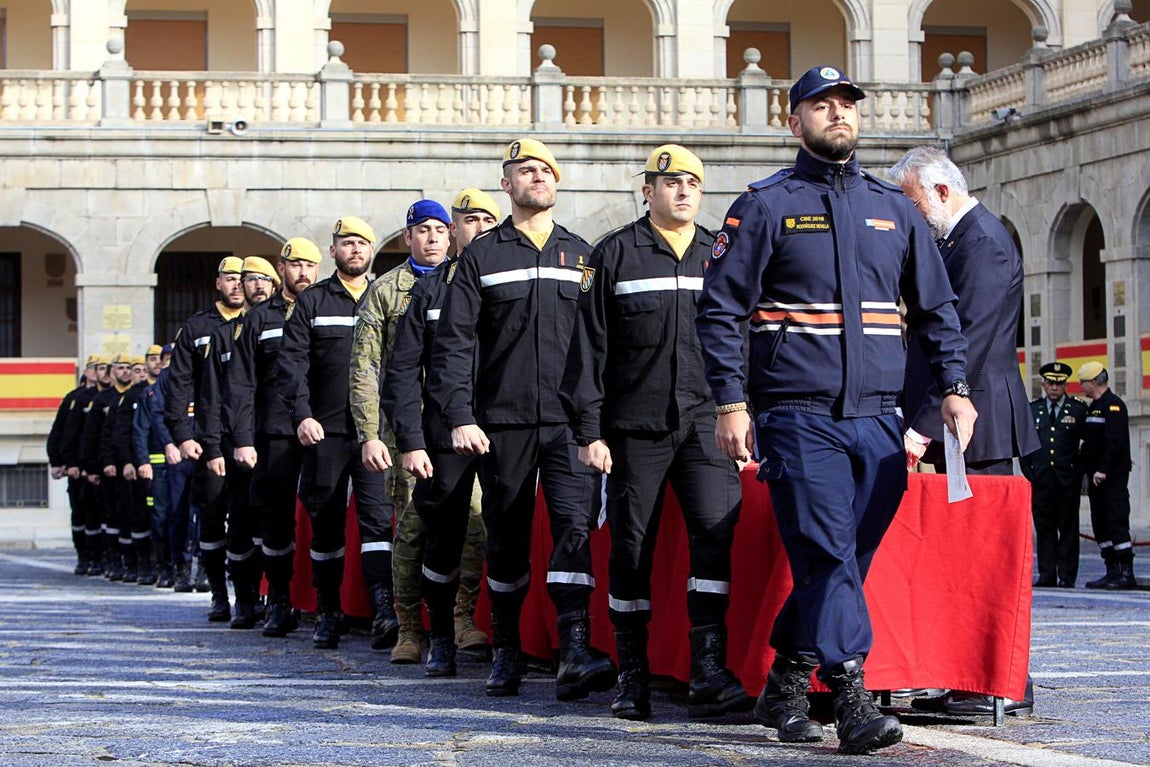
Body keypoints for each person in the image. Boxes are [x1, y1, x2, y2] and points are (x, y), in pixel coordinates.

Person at [695, 66, 975, 755]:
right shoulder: (762, 205)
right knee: (826, 548)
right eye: (821, 106)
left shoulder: (894, 209)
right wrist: (732, 400)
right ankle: (851, 696)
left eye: (846, 103)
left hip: (879, 419)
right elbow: (720, 309)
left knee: (843, 559)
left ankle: (786, 680)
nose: (838, 114)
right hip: (797, 413)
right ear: (794, 122)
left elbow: (938, 310)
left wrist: (955, 388)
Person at [560, 145, 750, 720]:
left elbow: (745, 341)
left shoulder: (723, 253)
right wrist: (588, 430)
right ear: (648, 190)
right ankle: (633, 676)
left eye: (693, 181)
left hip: (706, 424)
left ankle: (709, 673)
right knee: (631, 549)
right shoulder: (613, 254)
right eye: (670, 182)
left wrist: (747, 414)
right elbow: (588, 351)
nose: (683, 191)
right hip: (633, 429)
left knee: (714, 538)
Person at [428, 138, 617, 699]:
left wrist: (597, 425)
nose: (536, 178)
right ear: (506, 184)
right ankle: (506, 649)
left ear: (556, 184)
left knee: (573, 529)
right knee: (506, 538)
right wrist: (459, 415)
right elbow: (454, 343)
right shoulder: (481, 257)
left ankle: (574, 647)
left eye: (545, 171)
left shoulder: (584, 255)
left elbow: (602, 345)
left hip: (568, 424)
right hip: (501, 422)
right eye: (524, 171)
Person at [381, 187, 502, 677]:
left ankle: (483, 629)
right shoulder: (430, 292)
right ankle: (432, 636)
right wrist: (409, 439)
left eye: (485, 221)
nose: (477, 230)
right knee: (435, 533)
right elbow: (402, 371)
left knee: (494, 531)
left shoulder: (511, 283)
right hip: (443, 435)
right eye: (467, 221)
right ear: (456, 230)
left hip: (507, 429)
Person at [276, 216, 397, 650]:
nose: (355, 250)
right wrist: (302, 416)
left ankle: (384, 610)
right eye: (347, 243)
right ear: (334, 251)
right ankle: (328, 610)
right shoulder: (313, 302)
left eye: (363, 243)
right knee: (325, 523)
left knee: (378, 521)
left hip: (374, 435)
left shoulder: (385, 296)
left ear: (372, 252)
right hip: (323, 433)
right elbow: (292, 366)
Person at [889, 145, 1038, 474]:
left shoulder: (983, 243)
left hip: (976, 418)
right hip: (951, 412)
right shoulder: (956, 240)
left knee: (978, 523)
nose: (911, 220)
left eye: (913, 207)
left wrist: (921, 429)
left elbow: (969, 338)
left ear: (941, 192)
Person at [349, 199, 452, 663]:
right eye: (422, 230)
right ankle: (408, 627)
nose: (432, 238)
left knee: (469, 527)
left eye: (439, 230)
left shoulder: (463, 281)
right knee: (410, 527)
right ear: (407, 237)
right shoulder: (387, 290)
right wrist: (369, 433)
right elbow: (366, 365)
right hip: (402, 430)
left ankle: (462, 619)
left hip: (455, 426)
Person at [227, 238, 321, 637]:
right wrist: (243, 438)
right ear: (281, 268)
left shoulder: (324, 307)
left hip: (321, 430)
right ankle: (278, 600)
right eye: (295, 265)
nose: (302, 272)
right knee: (275, 521)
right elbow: (242, 384)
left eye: (309, 265)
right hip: (275, 433)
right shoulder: (259, 319)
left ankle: (323, 603)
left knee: (323, 517)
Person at [197, 255, 277, 627]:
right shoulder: (222, 335)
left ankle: (272, 597)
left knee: (271, 523)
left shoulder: (285, 326)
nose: (257, 286)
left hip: (275, 440)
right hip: (235, 444)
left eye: (265, 280)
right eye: (250, 280)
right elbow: (213, 397)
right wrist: (213, 446)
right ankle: (242, 598)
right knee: (239, 524)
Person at [163, 257, 248, 599]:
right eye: (230, 278)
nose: (237, 284)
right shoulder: (198, 327)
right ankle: (217, 593)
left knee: (248, 517)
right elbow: (178, 384)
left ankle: (248, 595)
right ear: (218, 283)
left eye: (242, 278)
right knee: (211, 515)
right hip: (207, 435)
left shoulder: (253, 321)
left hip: (248, 433)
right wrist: (182, 435)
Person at [1021, 362, 1086, 588]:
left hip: (1067, 479)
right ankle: (1047, 573)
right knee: (1045, 528)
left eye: (1059, 384)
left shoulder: (1078, 409)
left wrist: (1078, 472)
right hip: (1042, 479)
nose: (1055, 388)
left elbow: (1086, 445)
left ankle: (1067, 575)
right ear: (1043, 384)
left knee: (1068, 528)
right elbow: (1025, 444)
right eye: (1051, 383)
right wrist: (1029, 472)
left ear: (1065, 385)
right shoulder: (1034, 409)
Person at [1078, 362, 1136, 590]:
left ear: (1093, 382)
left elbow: (1114, 442)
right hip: (1096, 477)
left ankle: (1125, 573)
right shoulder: (1094, 407)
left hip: (1111, 478)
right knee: (1101, 524)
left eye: (1083, 383)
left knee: (1116, 522)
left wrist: (1103, 469)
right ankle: (1111, 571)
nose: (1082, 387)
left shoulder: (1113, 406)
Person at [47, 357, 97, 574]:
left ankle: (100, 557)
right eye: (96, 368)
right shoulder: (74, 399)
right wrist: (59, 461)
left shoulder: (108, 399)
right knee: (80, 513)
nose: (100, 373)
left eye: (104, 368)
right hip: (77, 467)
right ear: (86, 371)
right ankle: (83, 556)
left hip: (99, 465)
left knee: (101, 515)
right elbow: (61, 433)